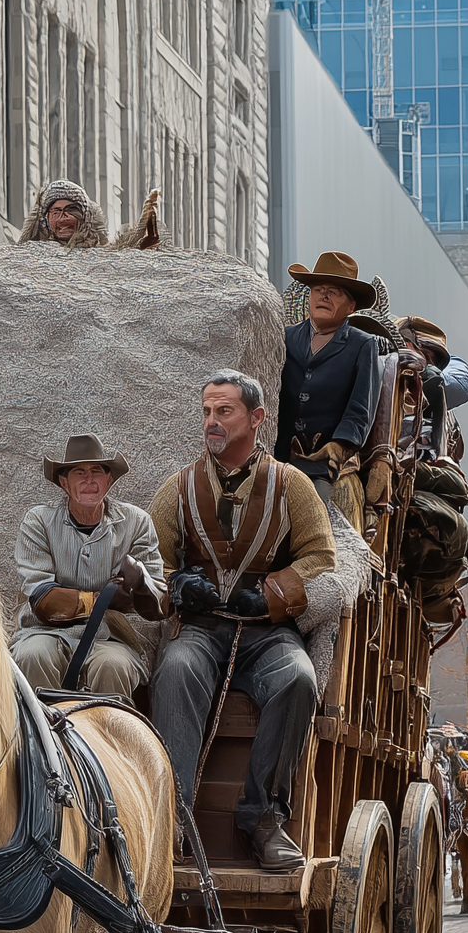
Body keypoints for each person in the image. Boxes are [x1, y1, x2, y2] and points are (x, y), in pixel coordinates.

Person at [148, 370, 336, 870]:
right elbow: (151, 561)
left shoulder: (292, 485)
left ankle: (264, 821)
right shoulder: (178, 488)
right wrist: (177, 584)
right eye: (207, 411)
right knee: (175, 669)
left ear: (256, 419)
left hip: (267, 632)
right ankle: (173, 821)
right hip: (202, 629)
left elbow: (321, 556)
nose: (212, 420)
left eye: (224, 411)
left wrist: (272, 595)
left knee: (298, 679)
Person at [11, 433, 167, 698]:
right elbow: (44, 600)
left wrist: (142, 584)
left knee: (113, 665)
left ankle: (110, 727)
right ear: (64, 482)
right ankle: (41, 726)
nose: (89, 480)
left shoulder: (137, 522)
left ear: (109, 480)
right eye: (79, 472)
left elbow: (159, 601)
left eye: (97, 471)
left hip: (111, 635)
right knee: (33, 656)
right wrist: (104, 598)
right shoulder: (38, 521)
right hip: (44, 631)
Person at [278, 251, 381, 528]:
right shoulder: (284, 337)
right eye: (318, 290)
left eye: (334, 292)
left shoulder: (362, 345)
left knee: (313, 517)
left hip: (322, 464)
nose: (323, 296)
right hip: (278, 457)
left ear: (351, 307)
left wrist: (339, 445)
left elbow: (361, 409)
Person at [17, 177, 161, 249]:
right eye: (56, 212)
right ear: (46, 219)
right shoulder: (37, 253)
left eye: (71, 210)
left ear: (85, 217)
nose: (63, 217)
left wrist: (144, 225)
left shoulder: (100, 255)